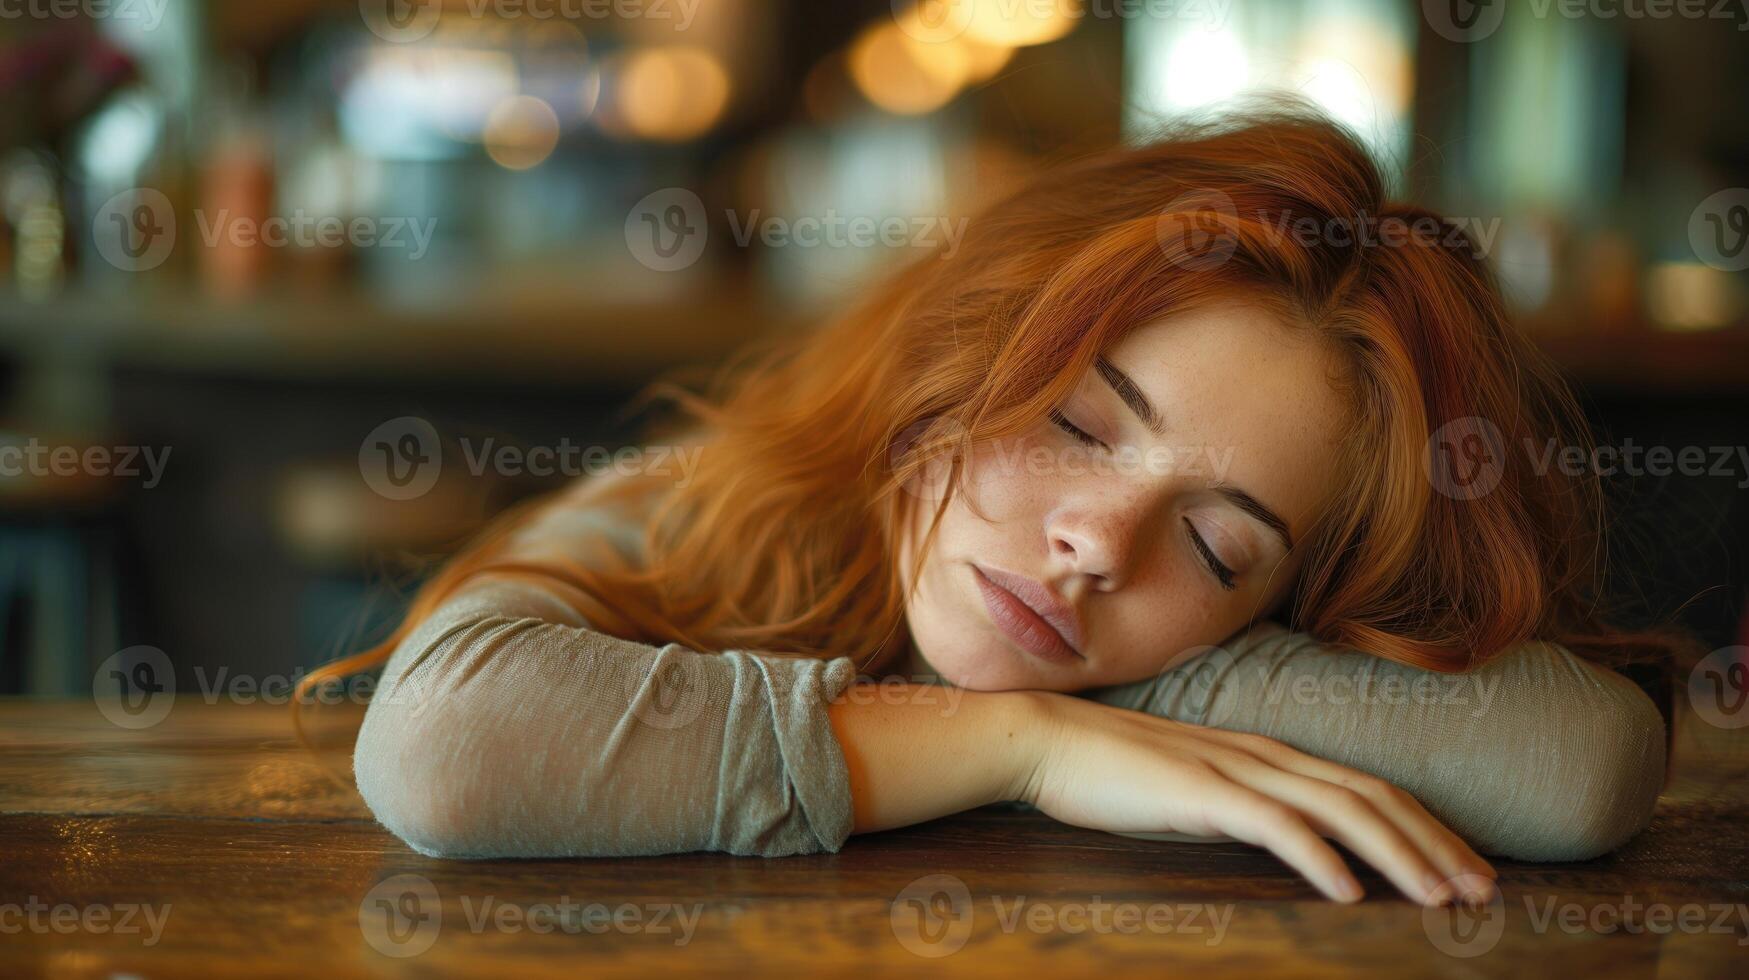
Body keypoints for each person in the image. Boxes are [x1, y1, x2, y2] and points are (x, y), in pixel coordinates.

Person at [297, 99, 1678, 908]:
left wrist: (1130, 690)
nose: (1093, 546)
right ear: (963, 356)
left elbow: (1576, 766)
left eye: (1213, 545)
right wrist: (1023, 743)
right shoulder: (704, 500)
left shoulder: (1164, 630)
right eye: (1075, 424)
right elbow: (442, 747)